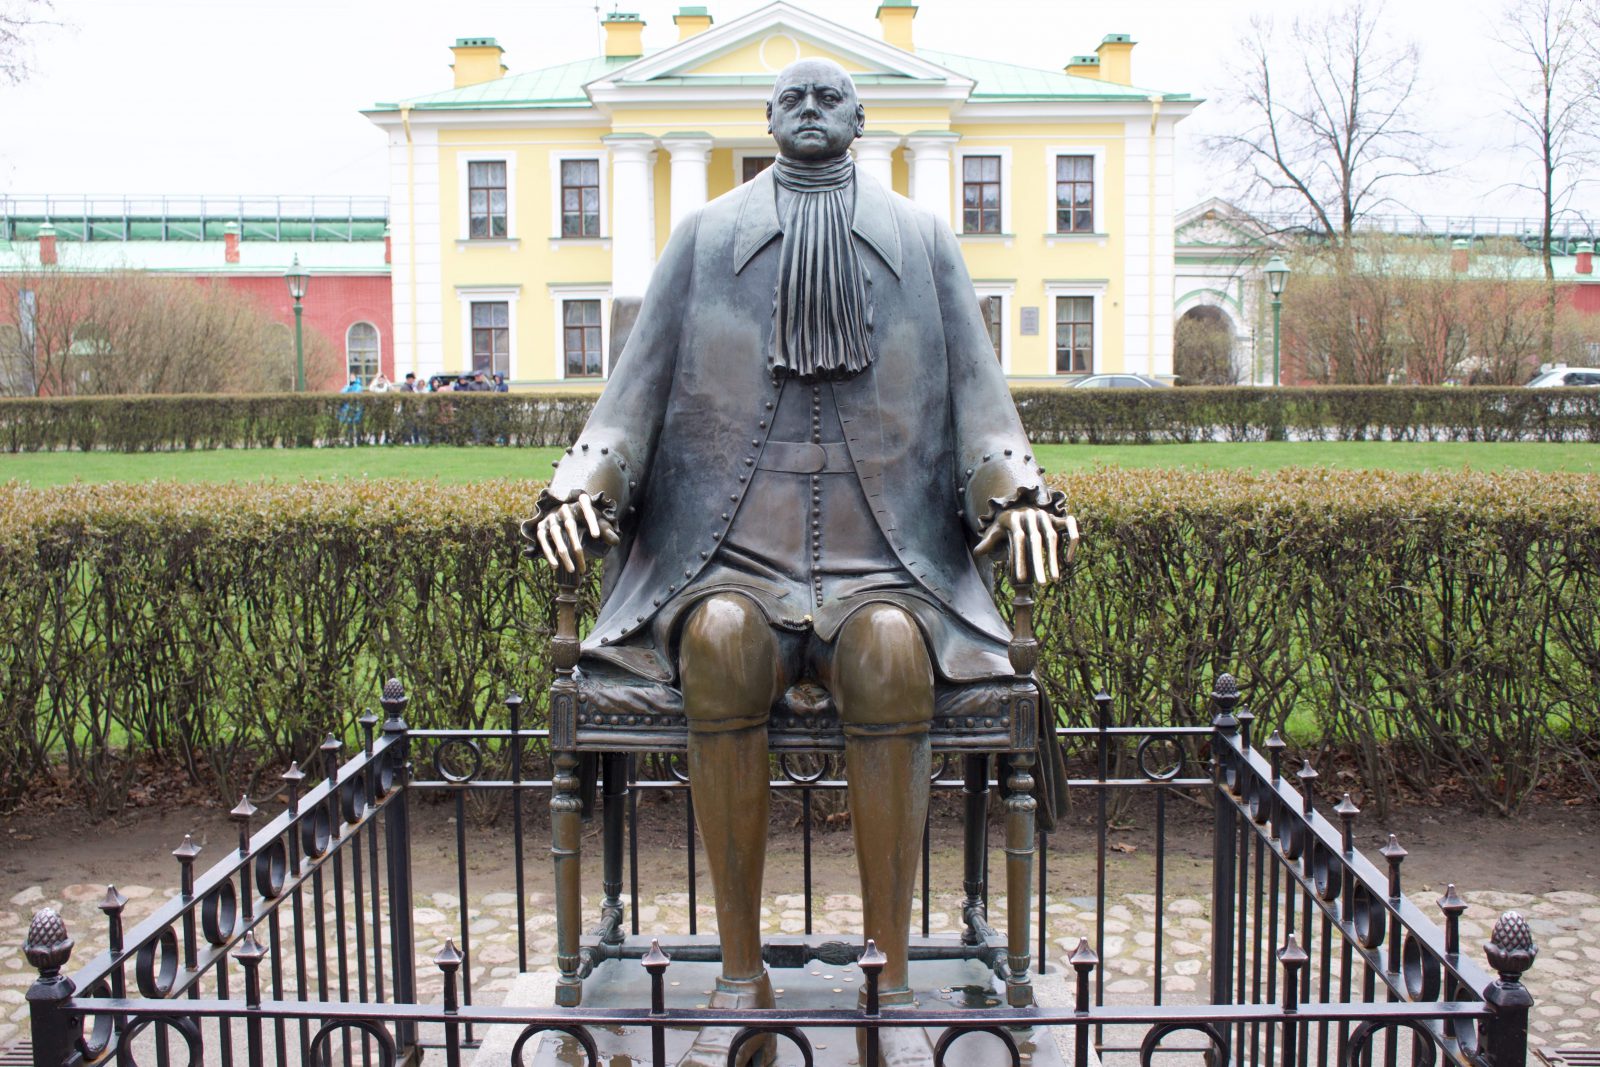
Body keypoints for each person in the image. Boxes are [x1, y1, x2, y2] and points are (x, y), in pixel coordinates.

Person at [532, 59, 1072, 1067]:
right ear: (765, 118)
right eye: (793, 97)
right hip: (728, 554)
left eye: (831, 97)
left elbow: (983, 414)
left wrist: (1022, 498)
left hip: (887, 562)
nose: (812, 109)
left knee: (889, 656)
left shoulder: (921, 241)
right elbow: (626, 405)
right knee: (724, 644)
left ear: (863, 118)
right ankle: (742, 980)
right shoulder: (703, 238)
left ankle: (889, 975)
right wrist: (579, 489)